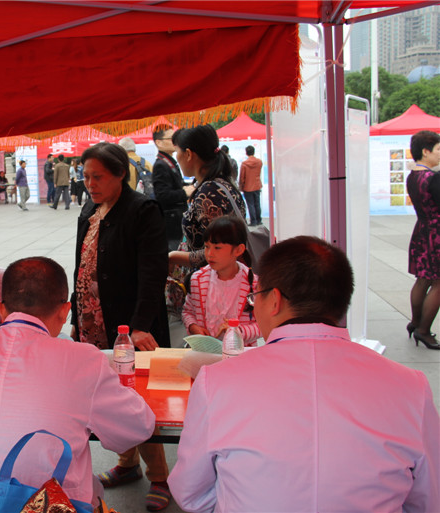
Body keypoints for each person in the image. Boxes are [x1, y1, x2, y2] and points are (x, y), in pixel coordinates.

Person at [169, 236, 440, 513]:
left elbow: (191, 493)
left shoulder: (217, 382)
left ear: (274, 301)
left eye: (255, 297)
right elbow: (428, 499)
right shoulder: (411, 387)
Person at [0, 257, 155, 509]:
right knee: (89, 488)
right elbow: (137, 428)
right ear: (65, 310)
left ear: (1, 309)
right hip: (46, 506)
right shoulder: (83, 360)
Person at [71, 142, 171, 511]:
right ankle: (127, 464)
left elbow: (153, 273)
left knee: (139, 398)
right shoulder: (90, 208)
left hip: (130, 326)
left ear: (119, 175)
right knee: (108, 395)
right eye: (86, 177)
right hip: (93, 320)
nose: (90, 184)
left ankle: (159, 476)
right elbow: (81, 265)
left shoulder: (142, 210)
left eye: (97, 177)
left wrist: (141, 326)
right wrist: (75, 317)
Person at [168, 125, 246, 272]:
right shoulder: (219, 183)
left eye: (177, 151)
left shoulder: (210, 193)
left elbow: (218, 251)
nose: (176, 158)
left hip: (213, 279)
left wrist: (173, 256)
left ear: (188, 154)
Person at [182, 216, 260, 345]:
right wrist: (193, 326)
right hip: (206, 352)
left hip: (241, 353)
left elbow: (262, 324)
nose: (209, 254)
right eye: (207, 247)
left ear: (238, 250)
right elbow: (188, 311)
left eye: (217, 248)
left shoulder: (254, 283)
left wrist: (238, 331)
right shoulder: (197, 280)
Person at [406, 130, 440, 350]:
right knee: (438, 284)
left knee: (423, 280)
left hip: (422, 230)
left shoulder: (413, 176)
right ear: (425, 152)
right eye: (438, 150)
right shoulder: (433, 178)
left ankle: (415, 323)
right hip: (437, 234)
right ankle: (424, 331)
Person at [151, 126, 192, 251]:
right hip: (171, 221)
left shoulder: (168, 161)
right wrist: (184, 192)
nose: (175, 142)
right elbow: (162, 195)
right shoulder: (161, 164)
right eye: (171, 139)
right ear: (159, 142)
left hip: (176, 218)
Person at [238, 145, 263, 226]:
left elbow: (242, 177)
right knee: (257, 203)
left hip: (247, 187)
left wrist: (241, 186)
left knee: (250, 204)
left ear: (246, 153)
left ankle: (253, 221)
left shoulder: (244, 164)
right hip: (257, 185)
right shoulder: (259, 162)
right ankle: (259, 220)